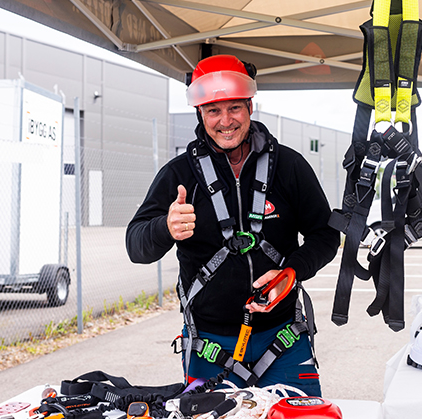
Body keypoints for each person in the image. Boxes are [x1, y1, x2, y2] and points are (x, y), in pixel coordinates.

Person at [126, 55, 339, 396]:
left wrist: (293, 271)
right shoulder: (180, 175)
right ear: (200, 113)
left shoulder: (289, 167)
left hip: (282, 338)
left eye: (234, 108)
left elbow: (325, 234)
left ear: (250, 107)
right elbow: (135, 245)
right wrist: (165, 228)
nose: (226, 121)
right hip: (210, 346)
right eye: (213, 110)